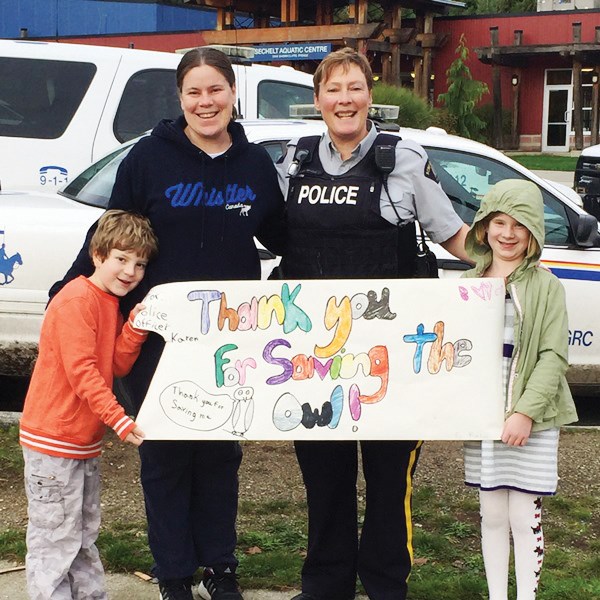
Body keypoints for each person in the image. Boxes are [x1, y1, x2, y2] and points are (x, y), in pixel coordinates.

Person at [49, 47, 285, 600]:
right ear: (180, 99)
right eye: (193, 92)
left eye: (215, 90)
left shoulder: (253, 166)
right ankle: (175, 574)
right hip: (155, 337)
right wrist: (68, 292)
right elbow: (111, 237)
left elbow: (285, 235)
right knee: (165, 457)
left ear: (232, 94)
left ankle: (220, 569)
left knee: (219, 457)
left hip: (231, 337)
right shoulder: (148, 159)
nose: (206, 102)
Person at [275, 47, 471, 600]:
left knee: (389, 482)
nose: (344, 99)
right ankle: (326, 586)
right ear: (317, 101)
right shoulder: (294, 158)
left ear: (370, 96)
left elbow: (452, 233)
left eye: (355, 87)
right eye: (333, 89)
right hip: (316, 357)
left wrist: (504, 262)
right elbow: (268, 233)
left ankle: (387, 587)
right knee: (324, 478)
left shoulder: (404, 157)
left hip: (392, 359)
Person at [20, 209, 158, 600]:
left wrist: (134, 328)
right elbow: (83, 372)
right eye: (121, 258)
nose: (130, 271)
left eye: (140, 264)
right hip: (52, 441)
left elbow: (113, 363)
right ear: (97, 255)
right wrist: (119, 418)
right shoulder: (75, 300)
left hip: (81, 441)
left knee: (82, 533)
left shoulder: (106, 302)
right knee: (54, 538)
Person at [461, 179, 578, 600]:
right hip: (486, 418)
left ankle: (525, 595)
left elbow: (553, 356)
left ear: (533, 233)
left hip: (533, 417)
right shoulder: (469, 284)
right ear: (483, 227)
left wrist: (525, 412)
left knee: (522, 510)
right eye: (499, 222)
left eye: (520, 225)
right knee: (491, 512)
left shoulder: (547, 286)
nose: (508, 234)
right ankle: (497, 595)